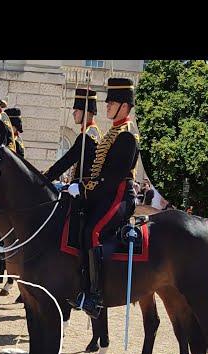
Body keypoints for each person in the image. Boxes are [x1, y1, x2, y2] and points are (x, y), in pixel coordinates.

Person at [62, 77, 139, 318]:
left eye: (112, 103)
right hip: (107, 193)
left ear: (124, 106)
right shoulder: (113, 132)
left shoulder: (127, 135)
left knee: (93, 231)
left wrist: (84, 190)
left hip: (120, 196)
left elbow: (112, 178)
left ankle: (95, 295)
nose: (106, 107)